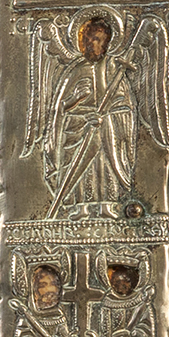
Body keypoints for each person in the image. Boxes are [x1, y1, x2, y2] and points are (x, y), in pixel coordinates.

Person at [43, 17, 142, 219]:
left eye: (97, 40)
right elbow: (59, 109)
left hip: (107, 127)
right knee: (80, 166)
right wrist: (76, 100)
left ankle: (107, 205)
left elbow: (127, 106)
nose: (91, 44)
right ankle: (81, 208)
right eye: (87, 39)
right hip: (79, 127)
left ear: (106, 43)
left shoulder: (115, 69)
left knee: (103, 164)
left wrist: (107, 118)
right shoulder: (76, 70)